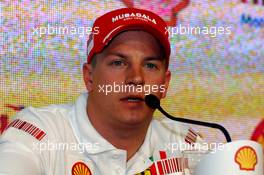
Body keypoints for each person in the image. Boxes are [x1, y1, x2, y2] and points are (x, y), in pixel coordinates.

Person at [0, 8, 203, 175]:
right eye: (118, 62)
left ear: (165, 84)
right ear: (89, 77)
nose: (136, 78)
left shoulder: (185, 144)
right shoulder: (41, 133)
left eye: (150, 65)